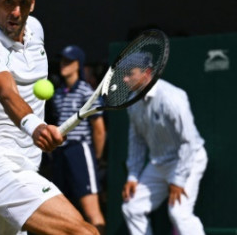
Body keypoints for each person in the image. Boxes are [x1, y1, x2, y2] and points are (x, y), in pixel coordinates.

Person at [0, 0, 98, 235]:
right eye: (8, 2)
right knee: (84, 233)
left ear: (33, 3)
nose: (16, 12)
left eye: (24, 3)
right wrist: (35, 127)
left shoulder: (35, 29)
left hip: (24, 168)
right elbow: (5, 91)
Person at [121, 53, 208, 235]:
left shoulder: (172, 97)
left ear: (147, 73)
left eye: (130, 73)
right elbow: (136, 140)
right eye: (124, 74)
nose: (125, 78)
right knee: (132, 208)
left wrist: (179, 179)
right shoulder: (132, 102)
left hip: (188, 160)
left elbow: (188, 141)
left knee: (179, 213)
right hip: (159, 163)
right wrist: (133, 176)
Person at [47, 45, 106, 233]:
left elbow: (99, 129)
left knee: (92, 211)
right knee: (62, 214)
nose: (63, 64)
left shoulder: (86, 91)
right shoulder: (56, 94)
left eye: (68, 61)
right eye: (62, 60)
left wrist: (96, 158)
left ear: (78, 65)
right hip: (61, 154)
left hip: (80, 151)